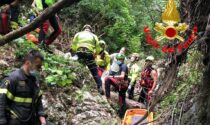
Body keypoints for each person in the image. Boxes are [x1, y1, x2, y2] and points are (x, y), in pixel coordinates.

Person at [0, 50, 52, 125]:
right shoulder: (12, 79)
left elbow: (38, 103)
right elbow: (1, 102)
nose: (39, 69)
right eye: (38, 66)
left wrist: (43, 121)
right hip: (15, 121)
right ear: (28, 63)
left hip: (30, 119)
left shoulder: (34, 81)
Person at [71, 24, 103, 94]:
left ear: (83, 29)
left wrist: (76, 51)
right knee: (95, 72)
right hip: (89, 54)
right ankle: (100, 87)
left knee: (77, 67)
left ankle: (74, 81)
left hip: (79, 53)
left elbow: (73, 45)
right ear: (90, 30)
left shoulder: (78, 34)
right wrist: (95, 54)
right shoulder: (94, 36)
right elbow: (98, 48)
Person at [105, 53, 129, 119]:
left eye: (119, 59)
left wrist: (112, 76)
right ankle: (122, 113)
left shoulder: (123, 66)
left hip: (122, 85)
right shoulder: (120, 66)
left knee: (121, 100)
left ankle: (122, 114)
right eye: (118, 59)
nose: (118, 60)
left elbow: (122, 76)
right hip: (121, 84)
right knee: (121, 99)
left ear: (122, 60)